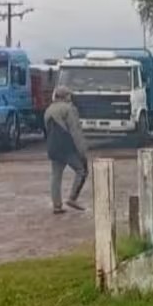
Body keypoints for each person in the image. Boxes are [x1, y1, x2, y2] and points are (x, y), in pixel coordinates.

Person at [44, 86, 88, 214]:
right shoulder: (69, 109)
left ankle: (57, 205)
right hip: (67, 147)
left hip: (53, 148)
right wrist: (82, 152)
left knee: (56, 176)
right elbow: (75, 132)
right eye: (69, 95)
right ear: (65, 96)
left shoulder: (48, 110)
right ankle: (72, 198)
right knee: (82, 170)